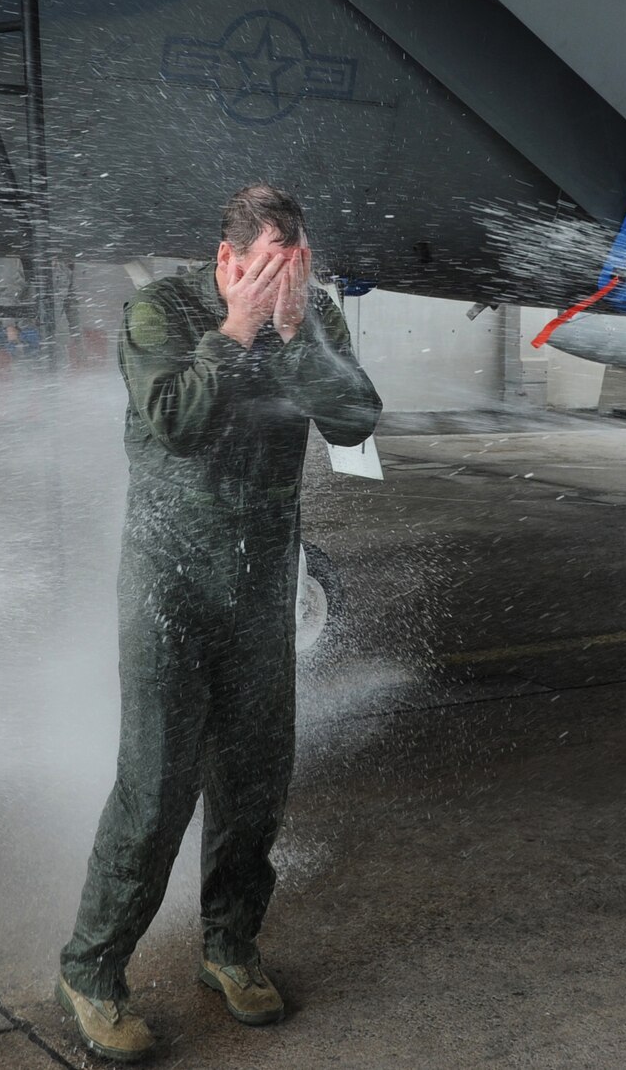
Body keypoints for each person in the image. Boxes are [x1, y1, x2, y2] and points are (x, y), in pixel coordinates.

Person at [55, 185, 382, 1061]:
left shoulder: (310, 321)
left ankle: (230, 946)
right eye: (267, 270)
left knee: (253, 783)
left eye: (296, 269)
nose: (283, 285)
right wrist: (238, 328)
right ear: (229, 262)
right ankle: (92, 968)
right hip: (170, 584)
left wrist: (297, 326)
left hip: (262, 585)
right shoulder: (161, 312)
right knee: (157, 786)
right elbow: (178, 423)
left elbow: (355, 418)